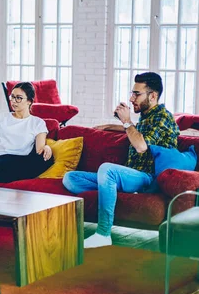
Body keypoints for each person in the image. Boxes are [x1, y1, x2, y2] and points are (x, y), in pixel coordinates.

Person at [63, 72, 180, 248]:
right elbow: (140, 132)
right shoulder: (148, 115)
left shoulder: (162, 117)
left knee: (107, 170)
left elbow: (141, 145)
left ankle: (103, 233)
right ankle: (110, 190)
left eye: (137, 94)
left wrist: (126, 121)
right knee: (70, 178)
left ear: (153, 96)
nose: (132, 98)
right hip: (131, 177)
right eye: (132, 93)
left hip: (147, 178)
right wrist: (112, 126)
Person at [0, 82, 54, 186]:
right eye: (12, 97)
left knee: (47, 159)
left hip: (22, 161)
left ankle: (4, 178)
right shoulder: (1, 117)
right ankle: (3, 182)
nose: (13, 101)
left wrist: (47, 147)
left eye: (18, 98)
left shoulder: (38, 123)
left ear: (29, 101)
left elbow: (39, 151)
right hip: (0, 159)